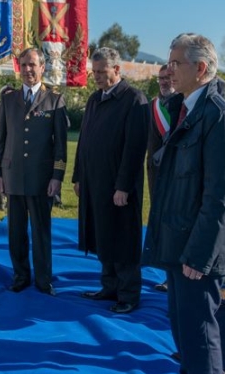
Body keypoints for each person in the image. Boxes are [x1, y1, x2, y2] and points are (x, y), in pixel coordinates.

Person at [141, 33, 225, 374]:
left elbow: (222, 196)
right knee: (183, 326)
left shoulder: (219, 116)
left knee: (201, 331)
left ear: (201, 68)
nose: (169, 70)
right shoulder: (187, 108)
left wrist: (200, 255)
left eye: (176, 63)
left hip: (197, 251)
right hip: (177, 241)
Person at [72, 47, 148, 314]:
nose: (96, 77)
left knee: (123, 238)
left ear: (117, 69)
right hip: (94, 182)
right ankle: (109, 286)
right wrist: (78, 176)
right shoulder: (95, 98)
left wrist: (123, 186)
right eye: (94, 72)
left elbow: (135, 148)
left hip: (119, 186)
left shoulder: (134, 99)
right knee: (103, 234)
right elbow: (84, 140)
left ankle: (128, 294)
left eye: (102, 72)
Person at [0, 47, 68, 296]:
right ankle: (20, 276)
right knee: (16, 233)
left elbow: (60, 145)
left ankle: (44, 280)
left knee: (41, 232)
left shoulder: (54, 100)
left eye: (32, 65)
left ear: (42, 67)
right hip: (13, 176)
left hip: (41, 179)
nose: (28, 70)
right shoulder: (8, 99)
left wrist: (57, 177)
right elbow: (1, 139)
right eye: (24, 65)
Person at [147, 64, 177, 293]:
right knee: (162, 226)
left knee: (176, 225)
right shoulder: (152, 106)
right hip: (155, 175)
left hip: (177, 175)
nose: (164, 82)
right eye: (161, 78)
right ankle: (168, 273)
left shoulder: (185, 104)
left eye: (168, 77)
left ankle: (176, 275)